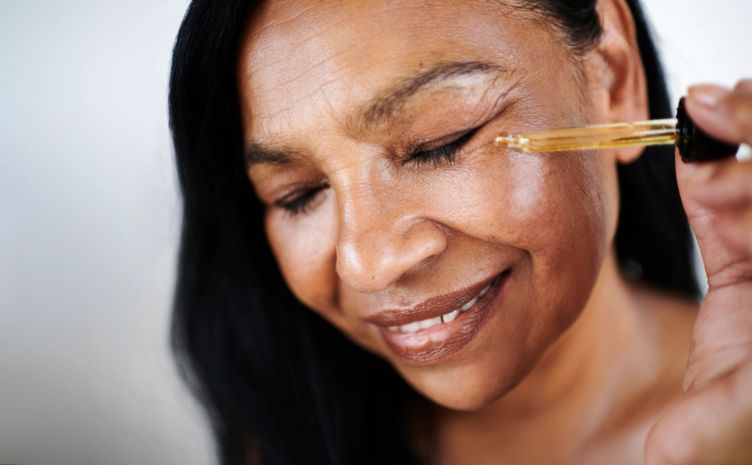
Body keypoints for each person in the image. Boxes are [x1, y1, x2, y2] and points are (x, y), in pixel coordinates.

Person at [167, 1, 752, 464]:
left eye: (439, 143)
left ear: (612, 76)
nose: (367, 263)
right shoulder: (287, 434)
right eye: (300, 195)